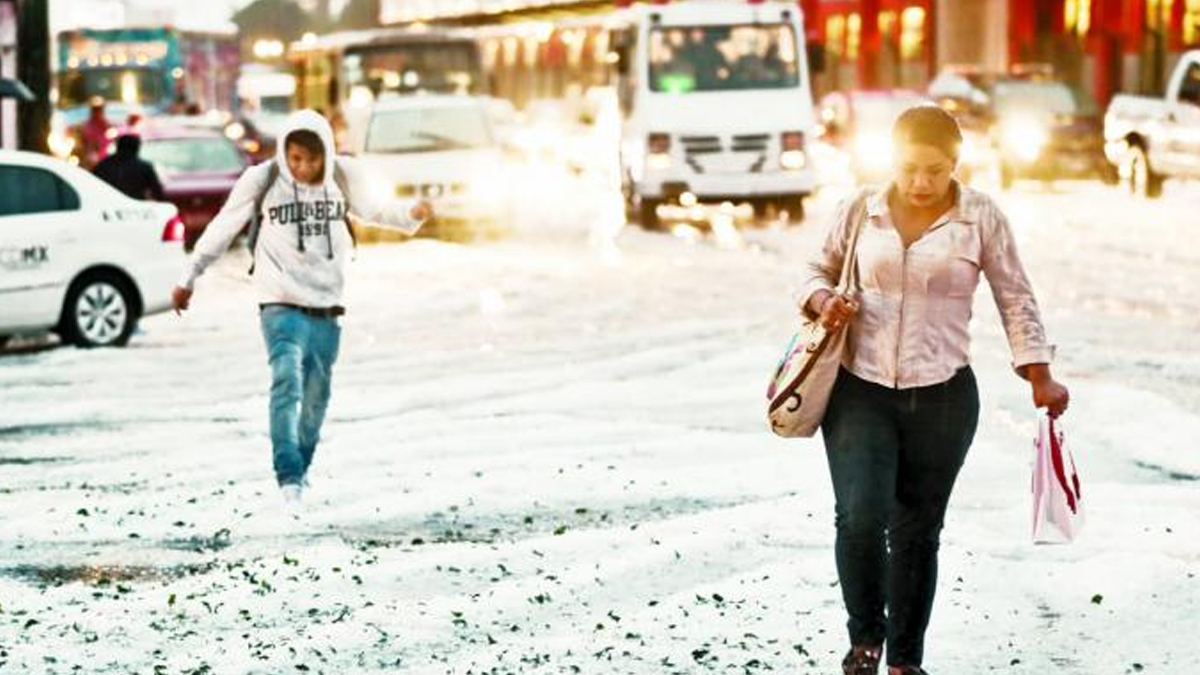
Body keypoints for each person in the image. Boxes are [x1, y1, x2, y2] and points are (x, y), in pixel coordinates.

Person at [798, 105, 1069, 675]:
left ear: (955, 164)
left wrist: (1038, 372)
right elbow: (813, 272)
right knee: (861, 515)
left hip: (944, 397)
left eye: (935, 170)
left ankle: (905, 661)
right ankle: (865, 639)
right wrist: (825, 301)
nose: (920, 182)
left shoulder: (981, 218)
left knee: (919, 530)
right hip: (859, 390)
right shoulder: (859, 209)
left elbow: (1014, 295)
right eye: (908, 168)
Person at [169, 109, 433, 515]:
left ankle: (301, 465)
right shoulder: (263, 180)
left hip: (328, 301)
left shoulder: (343, 177)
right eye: (294, 158)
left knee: (317, 392)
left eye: (311, 160)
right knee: (286, 378)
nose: (302, 167)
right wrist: (189, 277)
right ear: (285, 153)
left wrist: (410, 215)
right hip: (278, 300)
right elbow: (224, 227)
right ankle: (288, 476)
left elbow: (377, 211)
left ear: (325, 154)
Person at [93, 133, 166, 202]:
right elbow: (157, 192)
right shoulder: (144, 167)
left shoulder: (102, 165)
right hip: (134, 207)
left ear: (118, 146)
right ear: (136, 148)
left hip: (108, 205)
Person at [77, 97, 112, 170]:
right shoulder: (85, 125)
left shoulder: (106, 125)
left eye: (99, 109)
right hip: (87, 157)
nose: (97, 111)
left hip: (103, 157)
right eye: (95, 109)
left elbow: (109, 140)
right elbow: (82, 140)